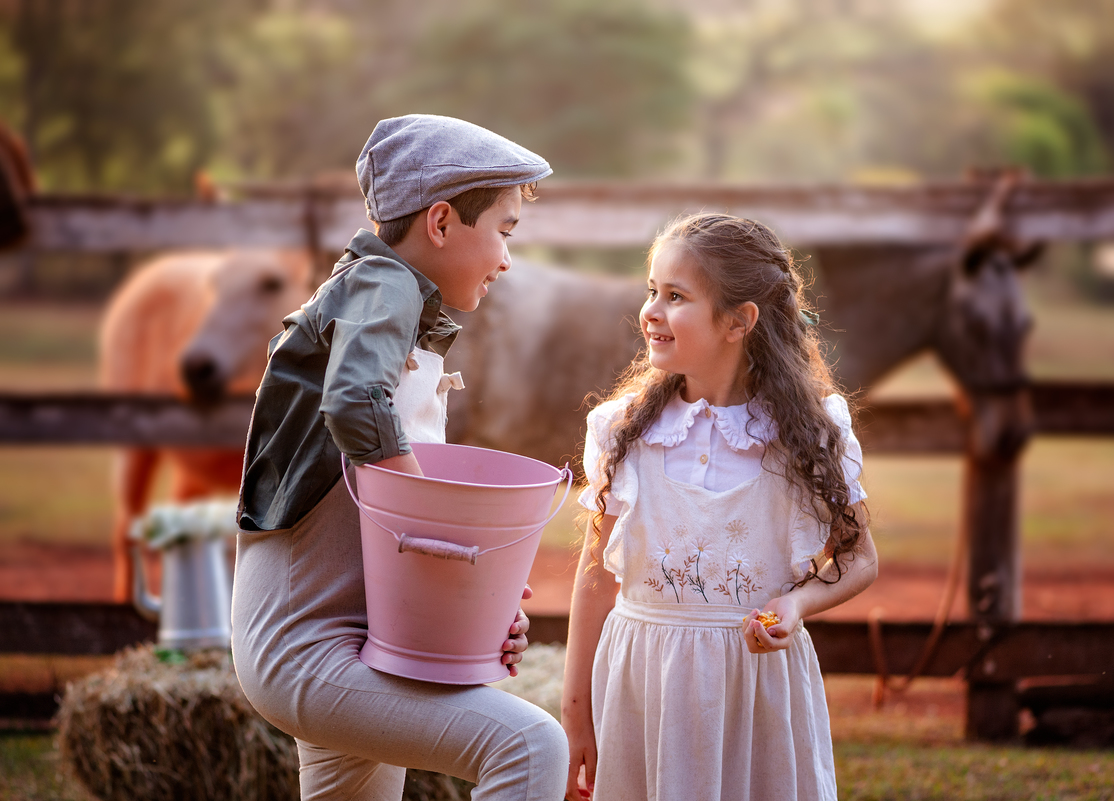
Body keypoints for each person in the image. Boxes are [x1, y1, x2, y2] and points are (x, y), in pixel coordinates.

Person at [231, 114, 569, 800]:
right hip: (309, 647)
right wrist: (444, 543)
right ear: (441, 223)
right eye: (503, 231)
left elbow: (380, 521)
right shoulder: (381, 287)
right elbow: (355, 402)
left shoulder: (393, 314)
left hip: (356, 639)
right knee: (530, 744)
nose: (507, 259)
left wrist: (476, 602)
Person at [561, 213, 879, 801]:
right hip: (641, 688)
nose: (651, 311)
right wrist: (575, 712)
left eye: (676, 296)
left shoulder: (808, 432)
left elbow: (860, 558)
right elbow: (592, 580)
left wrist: (798, 602)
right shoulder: (622, 429)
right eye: (651, 291)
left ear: (739, 321)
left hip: (756, 695)